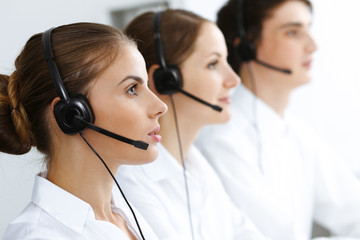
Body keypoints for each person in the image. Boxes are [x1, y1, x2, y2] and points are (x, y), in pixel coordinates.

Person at [195, 0, 360, 239]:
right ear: (247, 46)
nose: (312, 46)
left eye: (308, 29)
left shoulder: (296, 132)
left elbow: (352, 209)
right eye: (293, 32)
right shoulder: (221, 140)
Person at [1, 22, 168, 239]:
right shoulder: (39, 235)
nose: (160, 106)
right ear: (71, 115)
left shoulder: (123, 215)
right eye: (132, 89)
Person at [116, 9, 269, 240]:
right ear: (164, 81)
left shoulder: (198, 166)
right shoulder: (131, 185)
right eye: (213, 64)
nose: (234, 79)